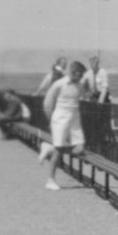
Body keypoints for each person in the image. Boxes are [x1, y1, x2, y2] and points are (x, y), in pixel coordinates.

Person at [40, 61, 89, 191]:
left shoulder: (80, 85)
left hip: (75, 118)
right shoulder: (59, 84)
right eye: (79, 75)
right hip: (60, 117)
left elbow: (86, 95)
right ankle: (50, 180)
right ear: (72, 72)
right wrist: (50, 120)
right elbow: (47, 102)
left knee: (80, 149)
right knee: (59, 150)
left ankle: (48, 148)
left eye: (82, 75)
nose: (80, 77)